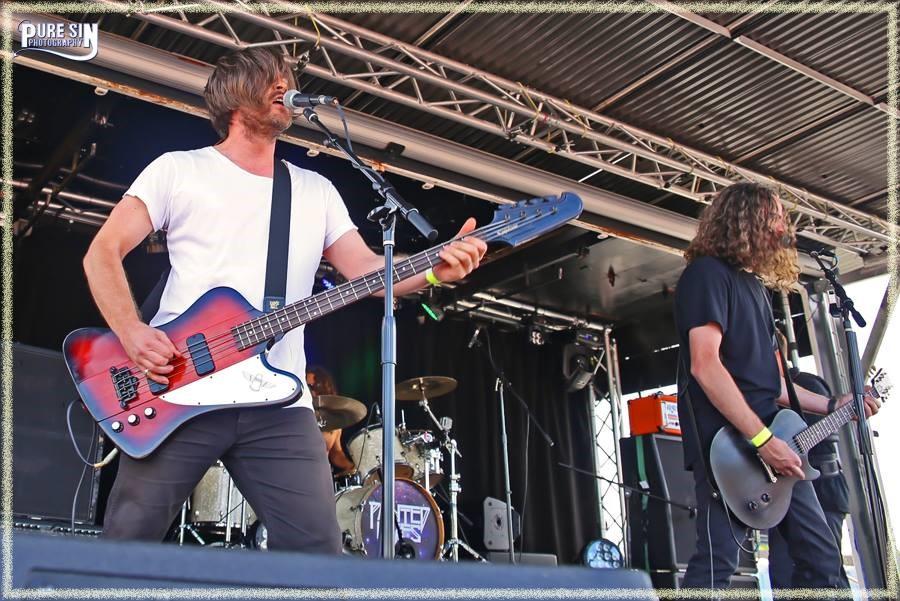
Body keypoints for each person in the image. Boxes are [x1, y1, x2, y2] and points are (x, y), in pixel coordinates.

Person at [82, 47, 486, 553]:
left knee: (318, 558)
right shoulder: (179, 170)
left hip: (278, 403)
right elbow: (102, 253)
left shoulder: (315, 189)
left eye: (288, 79)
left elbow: (369, 272)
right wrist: (132, 332)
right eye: (270, 78)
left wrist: (432, 270)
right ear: (233, 94)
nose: (285, 87)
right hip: (180, 384)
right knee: (126, 541)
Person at [673, 182, 879, 591]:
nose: (784, 228)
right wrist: (763, 440)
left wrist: (832, 404)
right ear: (746, 220)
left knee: (822, 557)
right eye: (776, 218)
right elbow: (705, 365)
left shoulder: (755, 288)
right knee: (718, 562)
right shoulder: (706, 275)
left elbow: (773, 384)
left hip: (776, 445)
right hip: (729, 449)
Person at [767, 369, 850, 590]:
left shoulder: (807, 384)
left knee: (826, 568)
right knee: (785, 572)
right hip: (785, 488)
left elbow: (817, 439)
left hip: (822, 489)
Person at [306, 366, 356, 475]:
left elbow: (335, 453)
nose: (310, 391)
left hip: (322, 474)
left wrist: (351, 466)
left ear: (325, 388)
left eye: (314, 386)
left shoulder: (333, 420)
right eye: (307, 386)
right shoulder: (299, 417)